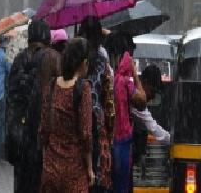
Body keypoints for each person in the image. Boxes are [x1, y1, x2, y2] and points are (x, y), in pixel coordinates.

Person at [6, 19, 59, 193]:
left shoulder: (19, 59)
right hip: (41, 139)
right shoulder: (51, 58)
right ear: (47, 38)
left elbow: (12, 98)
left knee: (21, 184)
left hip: (19, 138)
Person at [39, 38, 94, 192]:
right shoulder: (83, 88)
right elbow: (86, 134)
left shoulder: (51, 86)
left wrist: (47, 160)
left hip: (50, 169)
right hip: (74, 172)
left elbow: (43, 129)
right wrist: (89, 167)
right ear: (83, 63)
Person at [79, 16, 115, 193]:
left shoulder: (72, 61)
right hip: (98, 131)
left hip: (76, 131)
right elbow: (109, 103)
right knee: (98, 182)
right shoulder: (103, 63)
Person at [111, 32, 146, 193]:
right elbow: (142, 101)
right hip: (122, 139)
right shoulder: (124, 82)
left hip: (108, 139)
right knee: (122, 184)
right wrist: (135, 74)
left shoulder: (106, 77)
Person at [132, 65, 170, 171]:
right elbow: (153, 128)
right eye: (153, 91)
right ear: (144, 82)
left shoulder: (136, 95)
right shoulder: (134, 96)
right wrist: (174, 141)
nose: (152, 97)